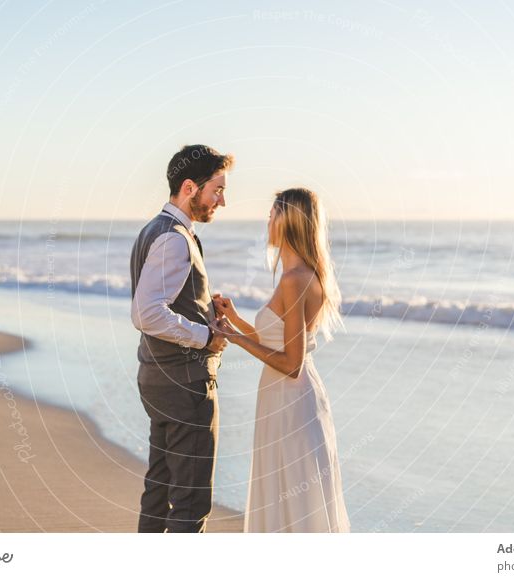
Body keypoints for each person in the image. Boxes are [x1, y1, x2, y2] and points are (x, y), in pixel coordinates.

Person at [211, 187, 350, 532]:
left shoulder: (294, 280)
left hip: (291, 403)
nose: (267, 221)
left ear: (288, 221)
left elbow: (291, 364)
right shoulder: (301, 274)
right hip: (287, 400)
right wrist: (237, 321)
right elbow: (279, 341)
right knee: (289, 501)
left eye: (272, 214)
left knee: (291, 502)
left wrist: (233, 337)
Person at [130, 144, 233, 532]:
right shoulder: (174, 238)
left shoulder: (153, 230)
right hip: (184, 385)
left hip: (158, 379)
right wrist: (206, 336)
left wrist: (203, 306)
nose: (222, 201)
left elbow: (164, 299)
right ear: (189, 188)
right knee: (190, 503)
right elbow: (147, 312)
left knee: (159, 492)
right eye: (217, 190)